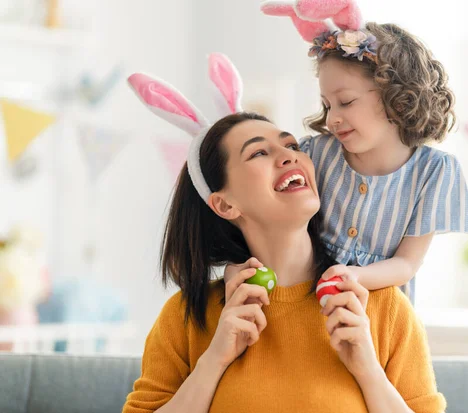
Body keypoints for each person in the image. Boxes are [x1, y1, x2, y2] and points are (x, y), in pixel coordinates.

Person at [122, 71, 446, 411]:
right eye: (258, 153)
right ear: (224, 204)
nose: (290, 155)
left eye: (291, 145)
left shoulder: (379, 307)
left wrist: (368, 370)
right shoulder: (187, 317)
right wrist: (214, 360)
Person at [259, 0, 468, 302]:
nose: (332, 118)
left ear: (397, 98)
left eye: (345, 102)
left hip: (378, 316)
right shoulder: (316, 156)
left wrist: (353, 277)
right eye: (327, 105)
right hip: (306, 305)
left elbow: (406, 263)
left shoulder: (433, 172)